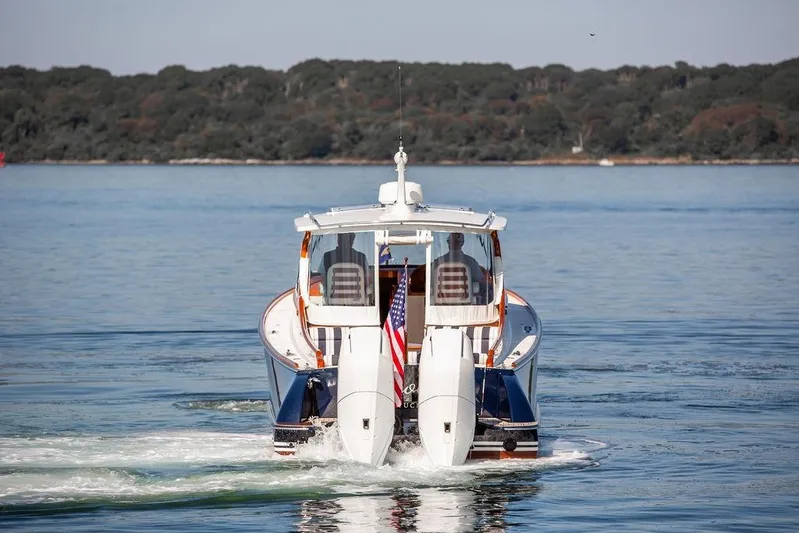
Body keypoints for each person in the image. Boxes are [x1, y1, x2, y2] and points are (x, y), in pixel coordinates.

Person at [432, 232, 489, 304]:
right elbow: (480, 280)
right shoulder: (471, 262)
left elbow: (430, 281)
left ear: (448, 242)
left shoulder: (437, 262)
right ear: (462, 244)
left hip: (440, 303)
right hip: (466, 303)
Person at [320, 233, 372, 305]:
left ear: (338, 240)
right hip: (357, 302)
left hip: (333, 303)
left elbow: (322, 280)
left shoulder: (327, 256)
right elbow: (368, 280)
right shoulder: (361, 257)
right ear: (352, 242)